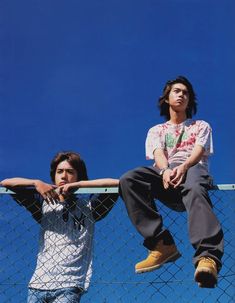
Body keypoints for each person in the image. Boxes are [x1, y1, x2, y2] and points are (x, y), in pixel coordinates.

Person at [119, 76, 223, 288]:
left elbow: (198, 151)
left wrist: (183, 167)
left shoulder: (200, 125)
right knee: (129, 179)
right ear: (166, 98)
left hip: (193, 170)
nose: (182, 95)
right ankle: (161, 244)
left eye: (186, 92)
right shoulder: (156, 130)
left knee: (194, 183)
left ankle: (207, 258)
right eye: (177, 91)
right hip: (166, 177)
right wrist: (165, 170)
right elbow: (158, 153)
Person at [1, 151, 119, 302]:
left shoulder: (89, 206)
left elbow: (117, 183)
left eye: (70, 172)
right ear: (54, 176)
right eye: (60, 172)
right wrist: (36, 183)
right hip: (38, 284)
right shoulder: (42, 203)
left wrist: (80, 185)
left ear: (78, 176)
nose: (64, 176)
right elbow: (6, 182)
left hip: (69, 285)